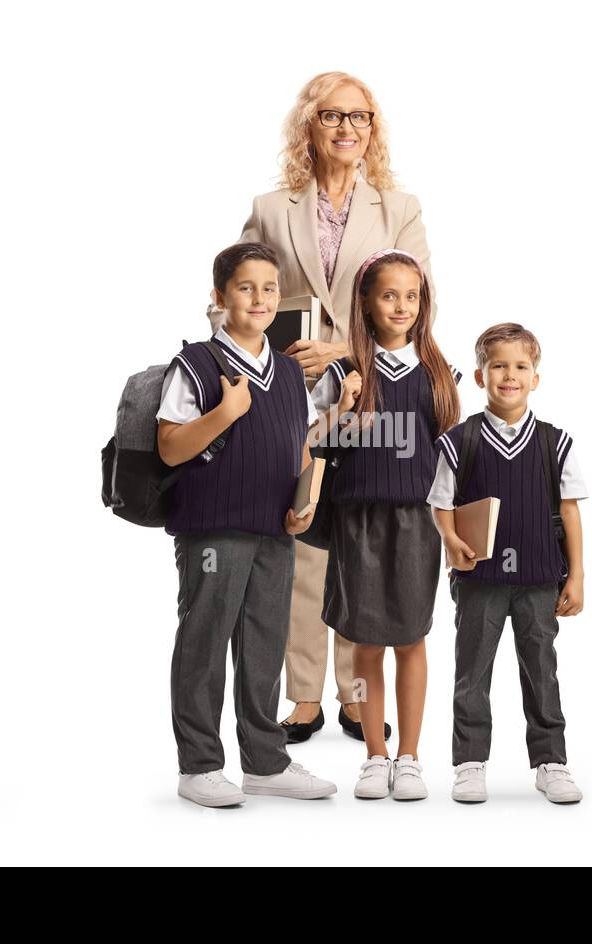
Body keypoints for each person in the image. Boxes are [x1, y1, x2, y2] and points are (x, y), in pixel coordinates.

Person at [212, 72, 439, 743]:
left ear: (374, 129)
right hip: (291, 394)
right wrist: (266, 343)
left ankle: (355, 696)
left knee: (361, 540)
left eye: (361, 117)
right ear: (308, 126)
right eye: (333, 116)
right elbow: (241, 292)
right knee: (303, 539)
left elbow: (417, 301)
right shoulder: (272, 206)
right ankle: (305, 699)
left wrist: (343, 347)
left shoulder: (398, 208)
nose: (348, 128)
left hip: (372, 390)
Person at [156, 241, 336, 807]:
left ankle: (264, 761)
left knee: (263, 643)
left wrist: (304, 502)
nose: (259, 299)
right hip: (214, 527)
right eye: (245, 288)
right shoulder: (197, 366)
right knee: (205, 641)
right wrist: (225, 413)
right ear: (219, 297)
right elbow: (168, 448)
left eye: (268, 289)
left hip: (274, 530)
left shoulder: (286, 372)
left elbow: (300, 445)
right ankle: (199, 766)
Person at [311, 249, 460, 799]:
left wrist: (455, 527)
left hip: (417, 522)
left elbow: (451, 461)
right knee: (364, 641)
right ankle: (374, 754)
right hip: (357, 520)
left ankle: (410, 756)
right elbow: (311, 444)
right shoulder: (344, 372)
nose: (401, 306)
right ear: (366, 304)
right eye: (389, 295)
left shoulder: (438, 374)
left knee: (412, 639)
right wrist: (346, 411)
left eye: (412, 296)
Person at [427, 323, 589, 805]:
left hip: (540, 577)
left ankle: (551, 762)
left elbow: (570, 510)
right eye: (498, 365)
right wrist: (451, 539)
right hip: (481, 579)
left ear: (535, 377)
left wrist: (576, 575)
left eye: (521, 366)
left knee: (541, 669)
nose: (509, 375)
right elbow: (440, 503)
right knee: (472, 669)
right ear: (480, 376)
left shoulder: (553, 442)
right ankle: (469, 762)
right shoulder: (460, 442)